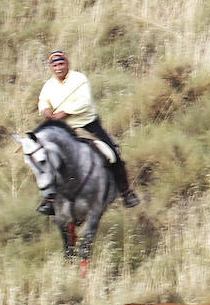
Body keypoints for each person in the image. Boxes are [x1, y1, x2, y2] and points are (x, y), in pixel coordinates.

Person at [36, 51, 140, 211]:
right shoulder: (49, 85)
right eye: (55, 65)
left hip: (86, 124)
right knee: (44, 158)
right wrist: (46, 112)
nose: (58, 68)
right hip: (63, 128)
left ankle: (126, 192)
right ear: (51, 67)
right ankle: (50, 199)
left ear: (67, 63)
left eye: (61, 64)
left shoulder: (79, 79)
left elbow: (84, 102)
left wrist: (63, 113)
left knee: (112, 154)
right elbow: (43, 101)